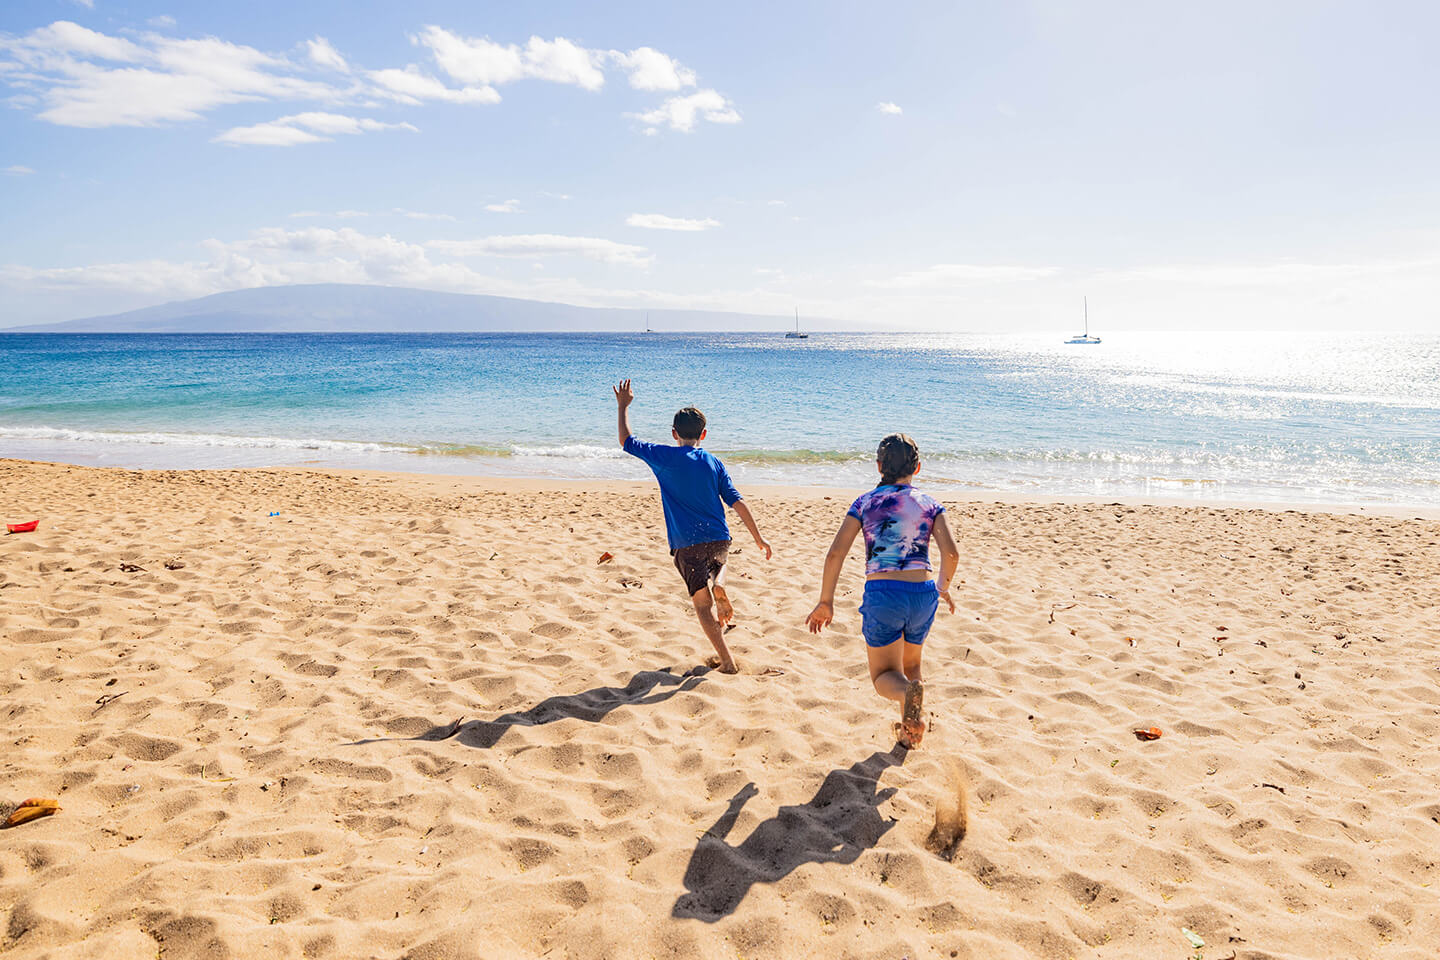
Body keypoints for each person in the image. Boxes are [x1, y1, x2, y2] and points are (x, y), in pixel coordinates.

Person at [805, 434, 958, 747]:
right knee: (911, 665)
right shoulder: (930, 504)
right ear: (917, 466)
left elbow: (835, 553)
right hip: (923, 593)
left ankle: (906, 695)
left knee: (883, 677)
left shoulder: (865, 502)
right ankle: (909, 735)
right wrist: (941, 587)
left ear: (878, 467)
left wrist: (826, 601)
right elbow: (952, 554)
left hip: (884, 593)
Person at [614, 379, 772, 674]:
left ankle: (727, 660)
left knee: (702, 604)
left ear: (674, 434)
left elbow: (626, 440)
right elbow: (737, 502)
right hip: (719, 538)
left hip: (687, 543)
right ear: (704, 434)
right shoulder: (714, 462)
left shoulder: (664, 457)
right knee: (719, 561)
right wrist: (758, 538)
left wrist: (623, 406)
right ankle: (721, 581)